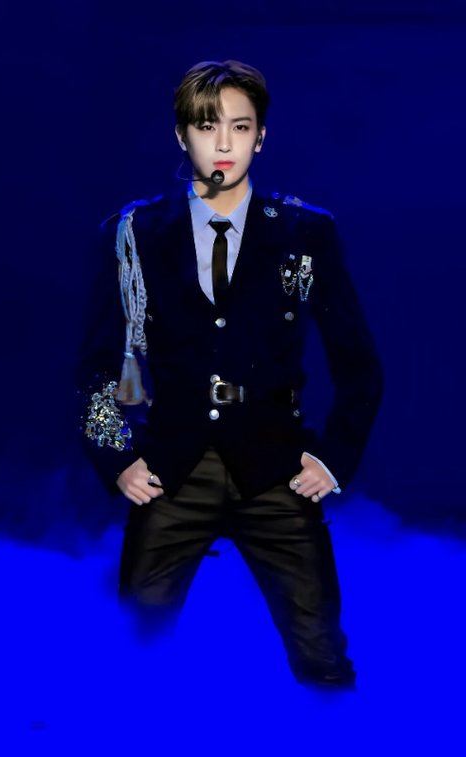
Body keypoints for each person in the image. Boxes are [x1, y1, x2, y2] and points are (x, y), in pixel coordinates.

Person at [79, 60, 382, 688]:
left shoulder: (306, 233)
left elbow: (359, 363)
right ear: (181, 135)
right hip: (171, 470)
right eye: (206, 126)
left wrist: (332, 460)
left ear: (261, 136)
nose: (223, 144)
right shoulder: (134, 233)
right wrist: (118, 458)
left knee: (321, 653)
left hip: (276, 468)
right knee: (133, 650)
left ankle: (335, 731)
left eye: (240, 127)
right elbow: (96, 365)